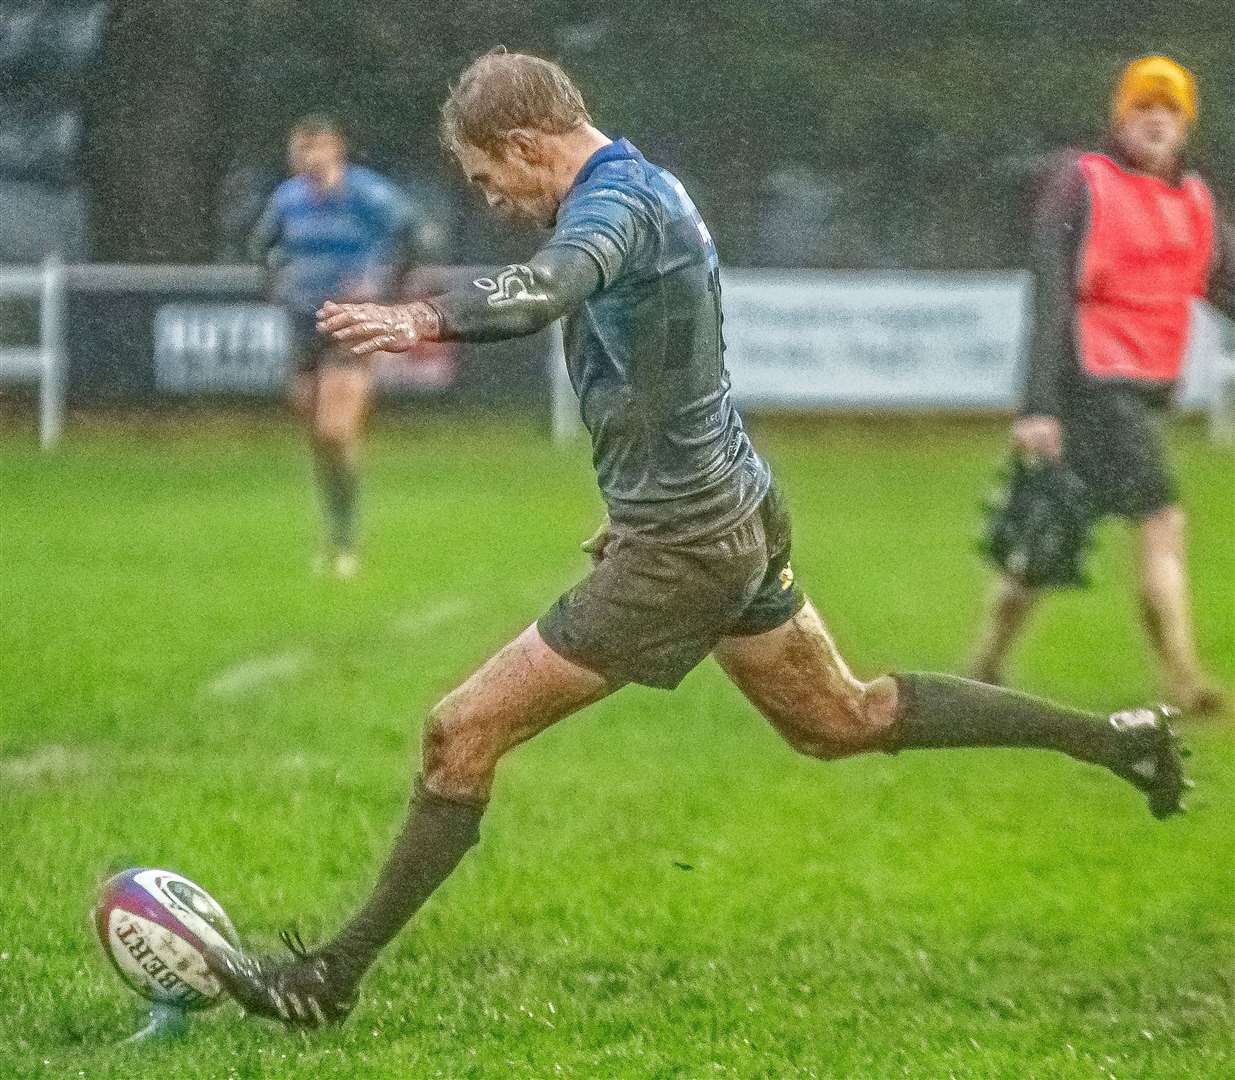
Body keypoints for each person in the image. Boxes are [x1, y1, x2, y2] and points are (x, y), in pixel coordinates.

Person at [208, 51, 1188, 1027]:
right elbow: (677, 364)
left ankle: (326, 978)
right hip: (729, 508)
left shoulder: (608, 210)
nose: (492, 200)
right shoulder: (647, 188)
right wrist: (642, 498)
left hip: (688, 543)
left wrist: (419, 315)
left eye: (486, 179)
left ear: (520, 145)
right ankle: (1112, 741)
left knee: (457, 733)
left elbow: (547, 287)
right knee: (838, 719)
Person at [970, 56, 1231, 716]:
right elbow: (1051, 296)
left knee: (1044, 535)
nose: (1154, 119)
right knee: (1161, 519)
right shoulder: (1083, 183)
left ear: (1184, 126)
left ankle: (985, 664)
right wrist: (1037, 407)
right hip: (1093, 383)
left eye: (1168, 110)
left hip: (1137, 391)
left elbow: (1225, 283)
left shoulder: (1193, 203)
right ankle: (1183, 681)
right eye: (1141, 107)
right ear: (1119, 119)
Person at [249, 114, 416, 577]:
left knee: (335, 430)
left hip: (349, 323)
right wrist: (275, 283)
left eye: (316, 149)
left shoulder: (365, 194)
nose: (308, 160)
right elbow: (260, 246)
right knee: (316, 435)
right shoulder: (288, 200)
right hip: (304, 321)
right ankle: (335, 530)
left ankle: (346, 539)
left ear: (336, 150)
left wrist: (383, 288)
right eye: (300, 151)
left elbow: (412, 233)